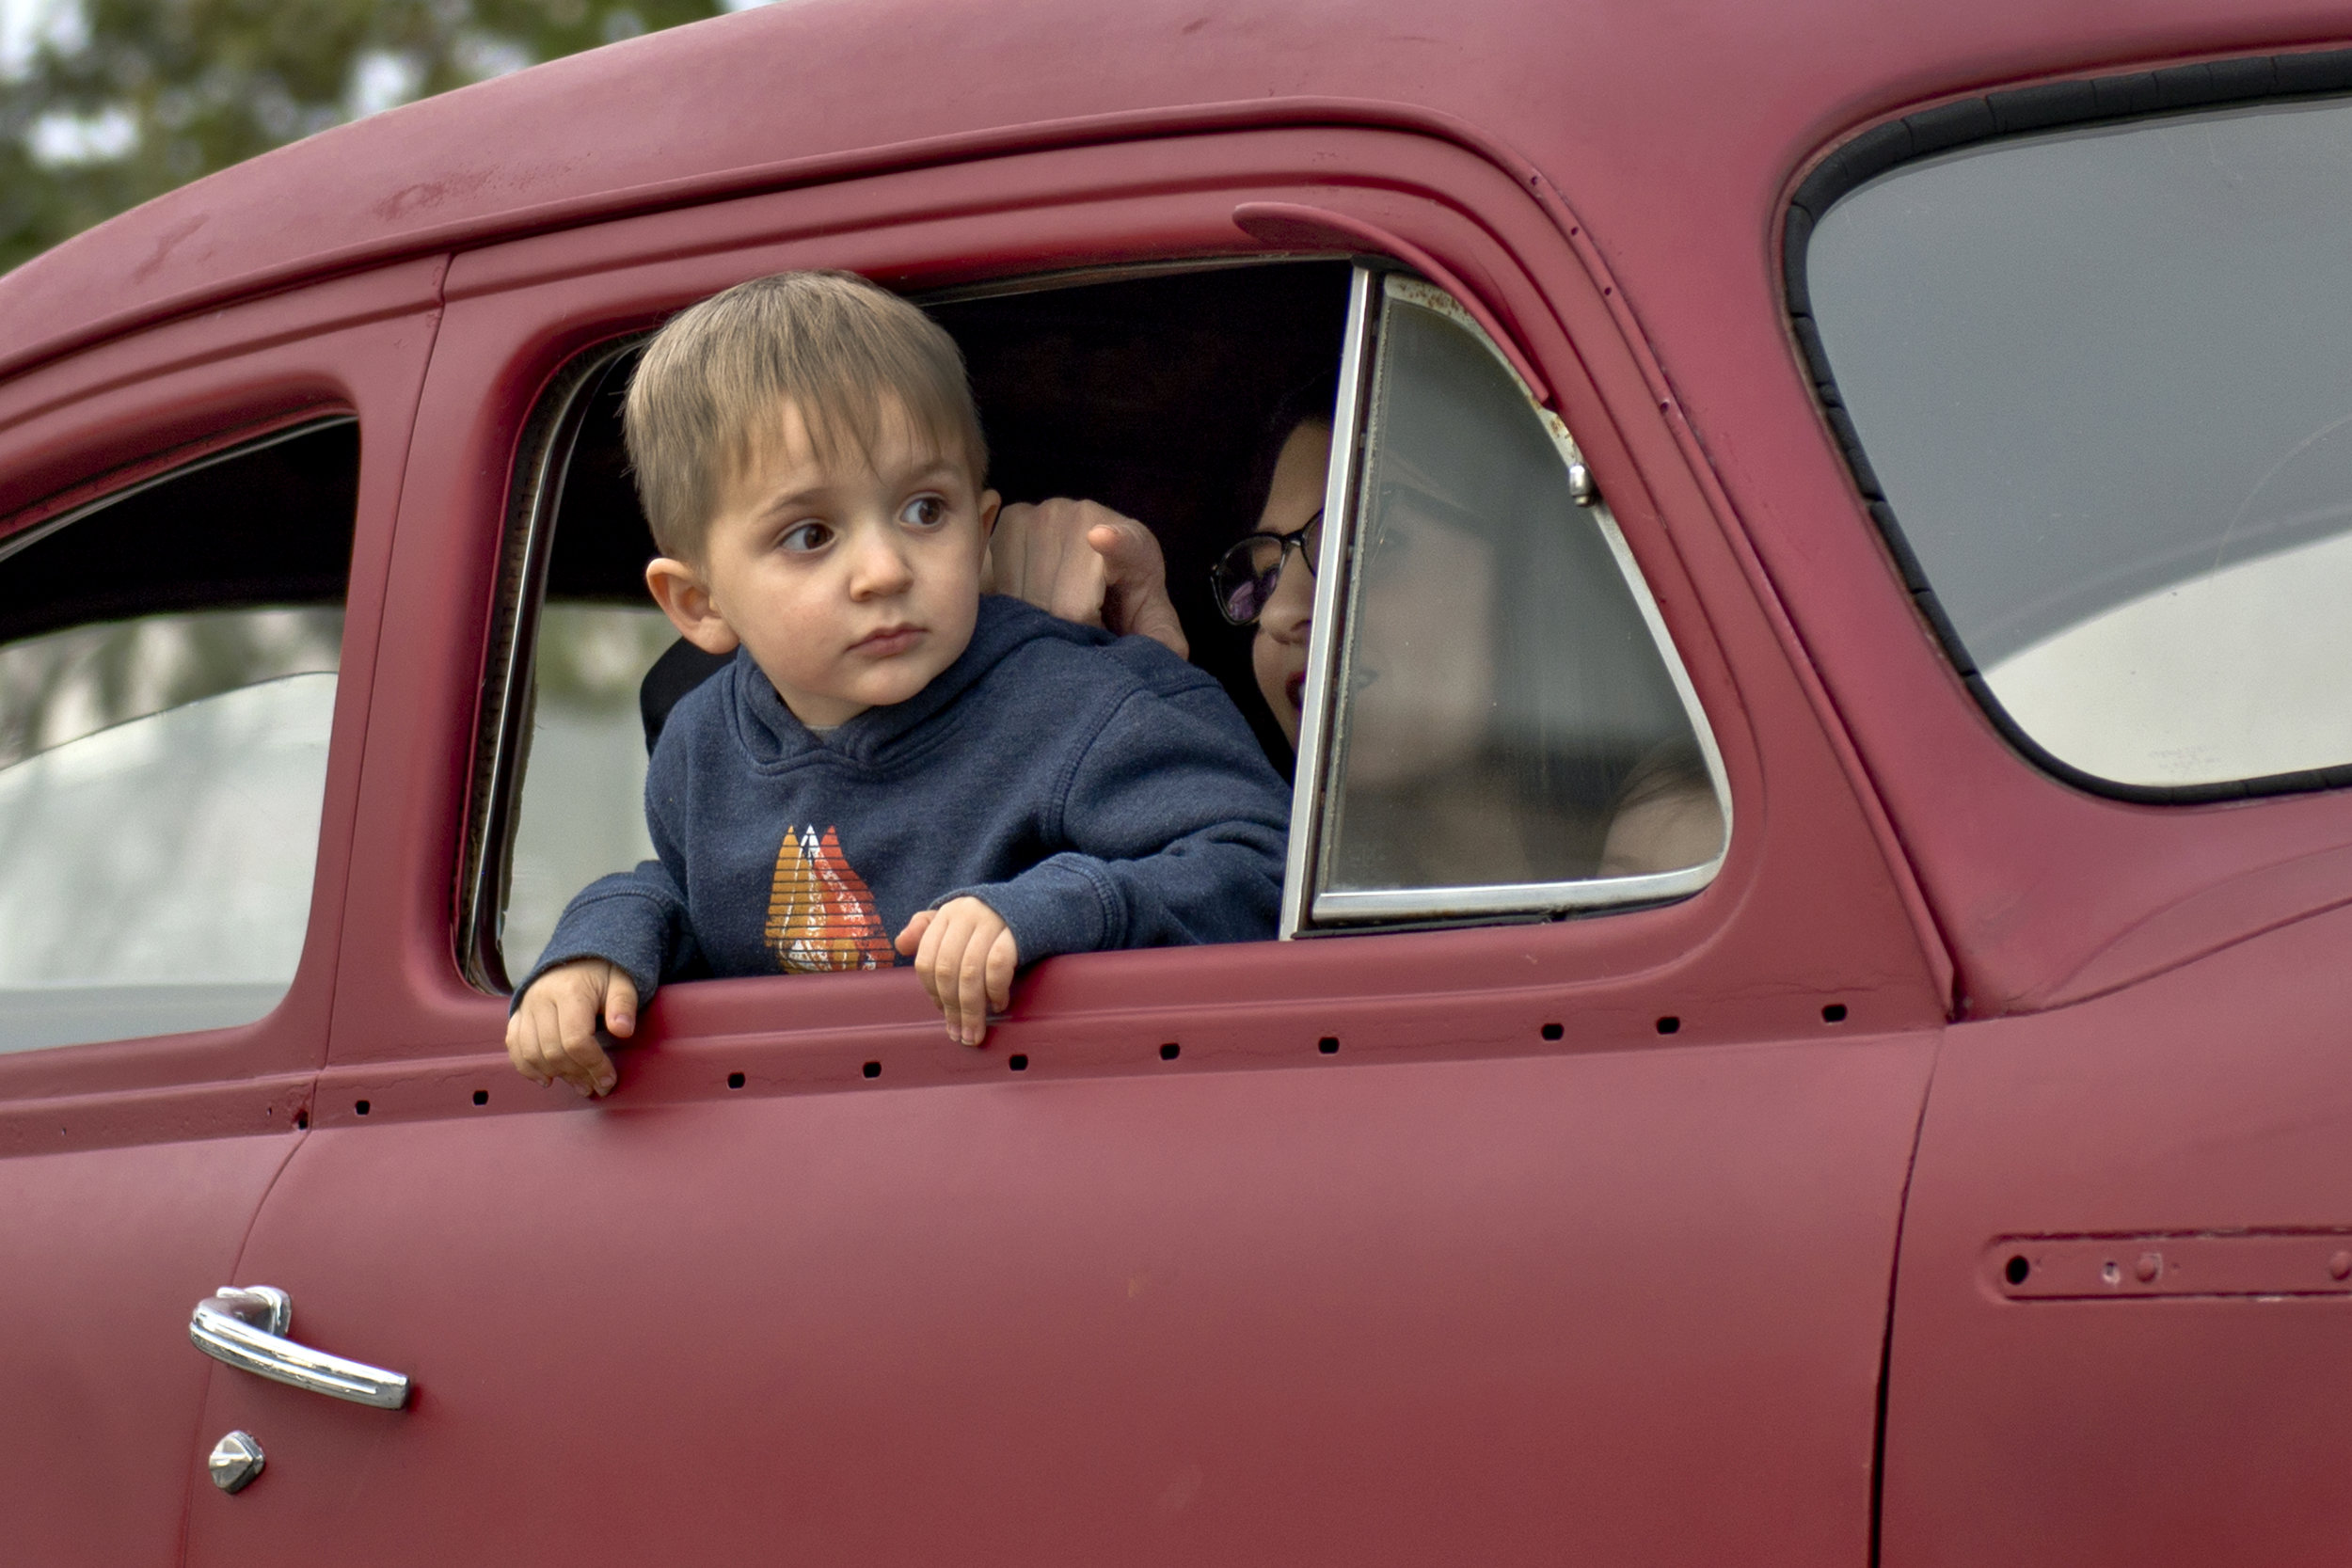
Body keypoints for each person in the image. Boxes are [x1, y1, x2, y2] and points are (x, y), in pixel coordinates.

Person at [506, 270, 1291, 1097]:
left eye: (924, 511)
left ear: (979, 533)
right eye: (811, 534)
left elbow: (1262, 867)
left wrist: (1054, 907)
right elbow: (697, 897)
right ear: (698, 603)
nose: (884, 569)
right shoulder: (700, 750)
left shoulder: (1084, 704)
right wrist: (599, 946)